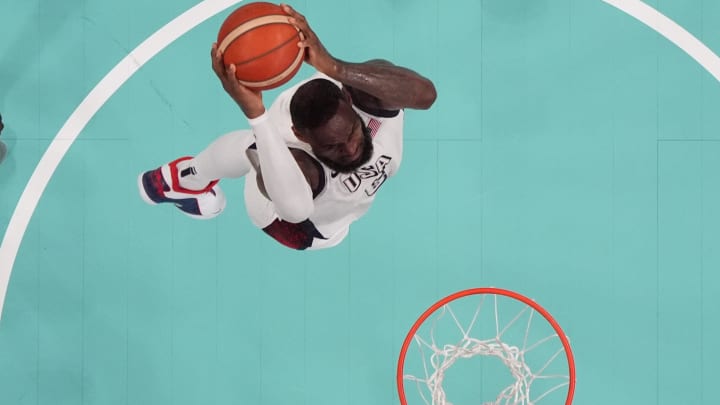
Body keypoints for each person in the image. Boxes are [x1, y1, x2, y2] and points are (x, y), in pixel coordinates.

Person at [138, 4, 437, 250]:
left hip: (343, 215)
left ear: (349, 100)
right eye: (333, 146)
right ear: (301, 137)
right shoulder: (302, 166)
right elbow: (296, 210)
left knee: (374, 83)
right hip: (298, 228)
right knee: (251, 147)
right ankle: (181, 180)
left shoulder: (369, 96)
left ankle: (193, 175)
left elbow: (426, 95)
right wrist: (255, 113)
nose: (350, 148)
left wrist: (334, 67)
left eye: (351, 133)